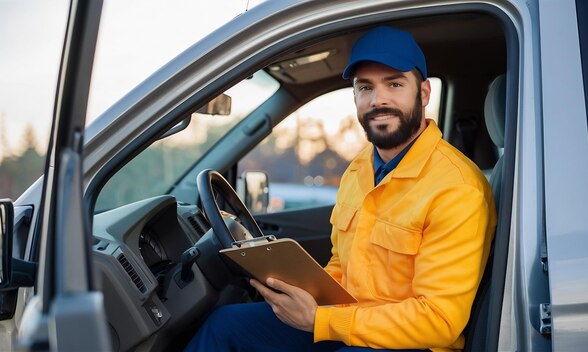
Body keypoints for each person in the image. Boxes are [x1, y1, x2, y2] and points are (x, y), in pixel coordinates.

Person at [185, 25, 496, 352]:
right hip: (347, 322)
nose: (379, 100)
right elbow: (343, 266)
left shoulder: (458, 189)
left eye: (395, 84)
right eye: (366, 88)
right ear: (355, 98)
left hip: (410, 344)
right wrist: (300, 291)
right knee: (225, 326)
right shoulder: (359, 168)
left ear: (423, 94)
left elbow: (438, 321)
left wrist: (321, 322)